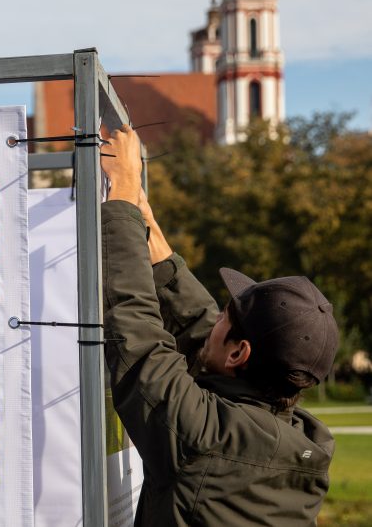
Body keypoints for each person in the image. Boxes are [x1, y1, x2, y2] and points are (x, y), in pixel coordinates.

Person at [99, 124, 338, 525]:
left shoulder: (207, 440)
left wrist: (122, 186)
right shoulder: (297, 438)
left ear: (240, 352)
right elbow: (201, 328)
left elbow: (136, 333)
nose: (214, 320)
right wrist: (143, 217)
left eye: (226, 316)